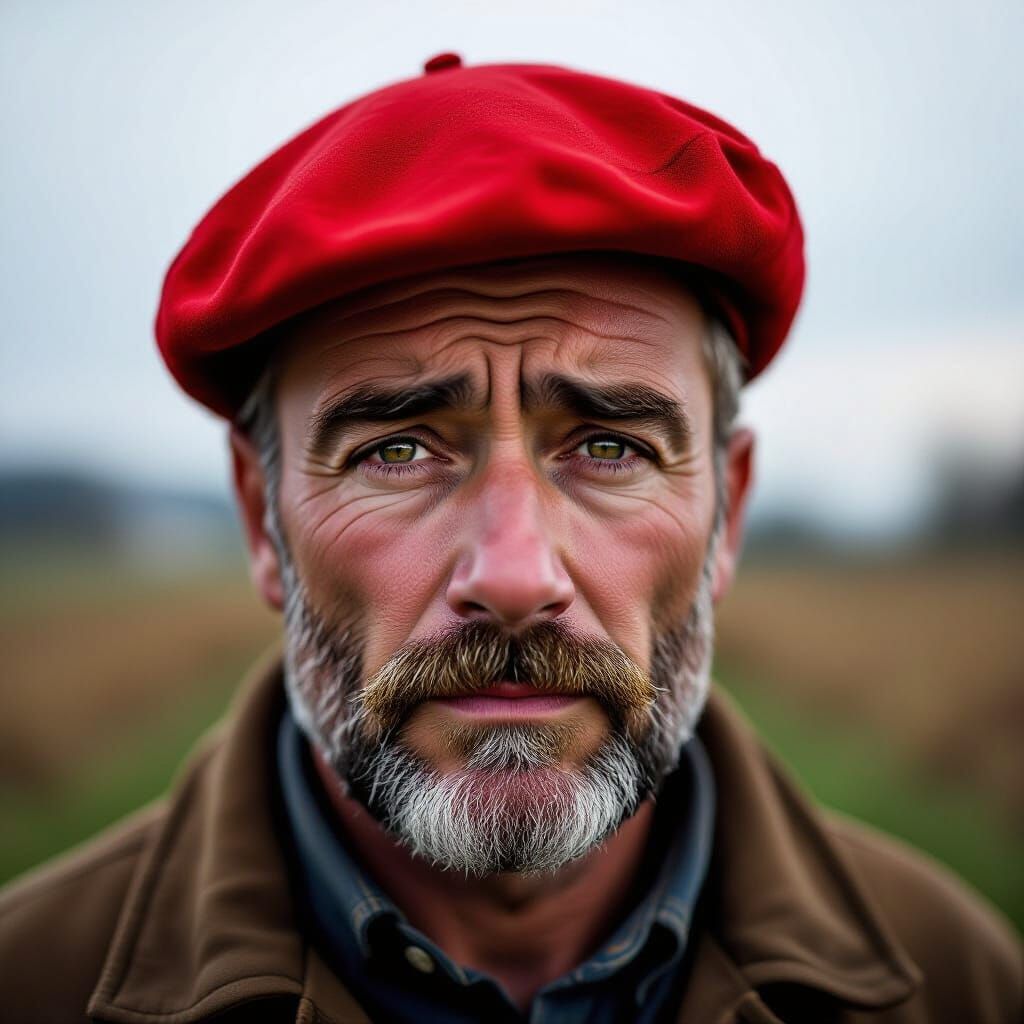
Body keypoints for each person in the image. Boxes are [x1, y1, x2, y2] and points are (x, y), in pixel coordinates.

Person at [1, 55, 1019, 1024]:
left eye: (610, 445)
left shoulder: (958, 980)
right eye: (396, 451)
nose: (515, 576)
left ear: (727, 511)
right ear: (261, 514)